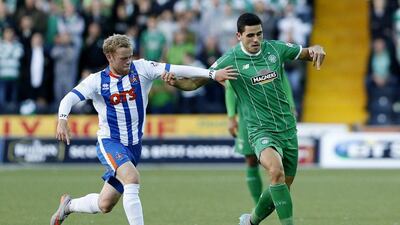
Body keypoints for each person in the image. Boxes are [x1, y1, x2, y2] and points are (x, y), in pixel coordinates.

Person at [50, 34, 237, 225]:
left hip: (134, 147)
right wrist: (62, 119)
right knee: (132, 178)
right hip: (110, 142)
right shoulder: (96, 81)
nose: (128, 62)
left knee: (105, 203)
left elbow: (177, 68)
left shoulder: (142, 68)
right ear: (109, 57)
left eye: (130, 56)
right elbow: (69, 98)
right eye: (123, 58)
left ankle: (69, 205)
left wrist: (212, 74)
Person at [164, 12, 326, 225]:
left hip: (287, 128)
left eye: (259, 34)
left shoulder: (276, 49)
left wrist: (317, 48)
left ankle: (250, 221)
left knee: (282, 185)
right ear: (239, 35)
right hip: (260, 130)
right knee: (275, 171)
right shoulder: (230, 60)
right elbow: (195, 83)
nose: (256, 39)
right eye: (250, 35)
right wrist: (176, 83)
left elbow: (307, 53)